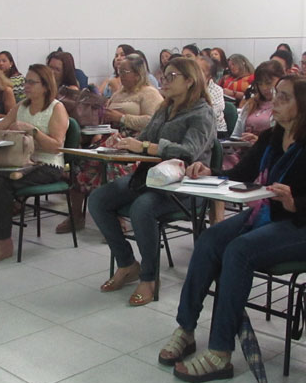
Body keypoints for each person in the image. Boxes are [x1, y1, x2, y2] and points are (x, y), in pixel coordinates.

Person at [158, 75, 306, 382]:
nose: (275, 102)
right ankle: (186, 328)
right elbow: (242, 174)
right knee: (209, 239)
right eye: (277, 95)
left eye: (285, 97)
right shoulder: (274, 136)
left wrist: (297, 203)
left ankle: (220, 352)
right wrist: (210, 172)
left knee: (238, 251)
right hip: (274, 217)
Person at [89, 57, 216, 306]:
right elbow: (144, 140)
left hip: (183, 185)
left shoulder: (203, 113)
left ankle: (149, 278)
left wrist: (145, 146)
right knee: (98, 199)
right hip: (150, 178)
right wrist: (123, 143)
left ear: (190, 81)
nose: (164, 81)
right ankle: (127, 263)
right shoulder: (165, 108)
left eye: (172, 77)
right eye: (164, 76)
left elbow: (188, 152)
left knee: (142, 208)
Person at [0, 65, 69, 262]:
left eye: (32, 82)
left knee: (3, 184)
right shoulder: (22, 106)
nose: (26, 86)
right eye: (26, 82)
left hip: (48, 165)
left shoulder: (56, 108)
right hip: (21, 161)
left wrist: (33, 130)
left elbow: (56, 147)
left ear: (46, 86)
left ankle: (5, 241)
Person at [62, 53, 164, 233]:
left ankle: (115, 219)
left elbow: (153, 121)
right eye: (119, 72)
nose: (121, 76)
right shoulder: (119, 93)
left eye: (125, 72)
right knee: (80, 165)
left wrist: (123, 118)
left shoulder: (149, 93)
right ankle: (76, 215)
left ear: (138, 74)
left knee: (111, 167)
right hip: (111, 137)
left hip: (137, 143)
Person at [224, 60, 285, 170]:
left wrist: (258, 140)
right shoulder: (251, 104)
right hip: (243, 155)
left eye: (269, 82)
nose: (264, 87)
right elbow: (236, 136)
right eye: (260, 83)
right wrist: (240, 141)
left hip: (268, 156)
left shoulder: (284, 107)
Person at [197, 56, 227, 137]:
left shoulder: (217, 90)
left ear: (209, 76)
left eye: (201, 71)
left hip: (215, 130)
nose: (196, 73)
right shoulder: (187, 88)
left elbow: (211, 114)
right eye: (194, 69)